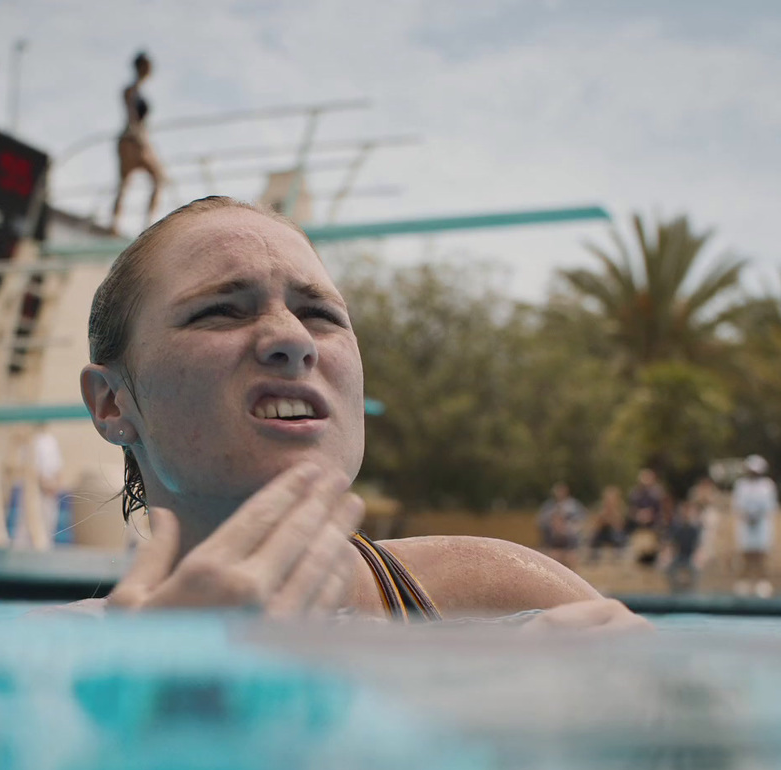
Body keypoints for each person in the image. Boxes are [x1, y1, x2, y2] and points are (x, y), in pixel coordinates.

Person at [57, 196, 645, 630]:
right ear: (112, 402)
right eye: (221, 311)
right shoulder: (60, 659)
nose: (292, 339)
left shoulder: (502, 594)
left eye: (320, 313)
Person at [108, 52, 165, 237]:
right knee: (155, 178)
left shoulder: (135, 91)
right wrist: (142, 142)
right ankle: (144, 224)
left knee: (125, 183)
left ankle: (118, 224)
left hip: (134, 139)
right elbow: (132, 119)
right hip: (132, 140)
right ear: (142, 67)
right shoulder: (130, 91)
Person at [730, 455, 777, 598]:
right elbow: (738, 506)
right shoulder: (741, 485)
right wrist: (747, 517)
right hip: (746, 525)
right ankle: (743, 583)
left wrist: (757, 516)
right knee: (746, 554)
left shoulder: (767, 485)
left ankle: (762, 583)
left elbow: (770, 507)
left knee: (761, 555)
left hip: (761, 525)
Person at [536, 483, 586, 569]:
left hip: (570, 540)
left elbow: (582, 520)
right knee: (554, 557)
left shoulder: (574, 505)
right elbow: (540, 521)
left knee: (571, 557)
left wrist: (568, 528)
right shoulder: (548, 506)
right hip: (552, 541)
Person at [626, 469, 669, 567]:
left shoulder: (657, 494)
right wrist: (638, 515)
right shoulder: (635, 494)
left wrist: (651, 516)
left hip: (653, 529)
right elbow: (631, 511)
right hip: (638, 529)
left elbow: (661, 513)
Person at [587, 485, 628, 564]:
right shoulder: (601, 508)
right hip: (603, 532)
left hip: (614, 533)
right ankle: (594, 556)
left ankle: (618, 555)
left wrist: (611, 518)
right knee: (595, 536)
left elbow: (620, 526)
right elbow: (596, 525)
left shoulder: (621, 509)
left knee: (617, 536)